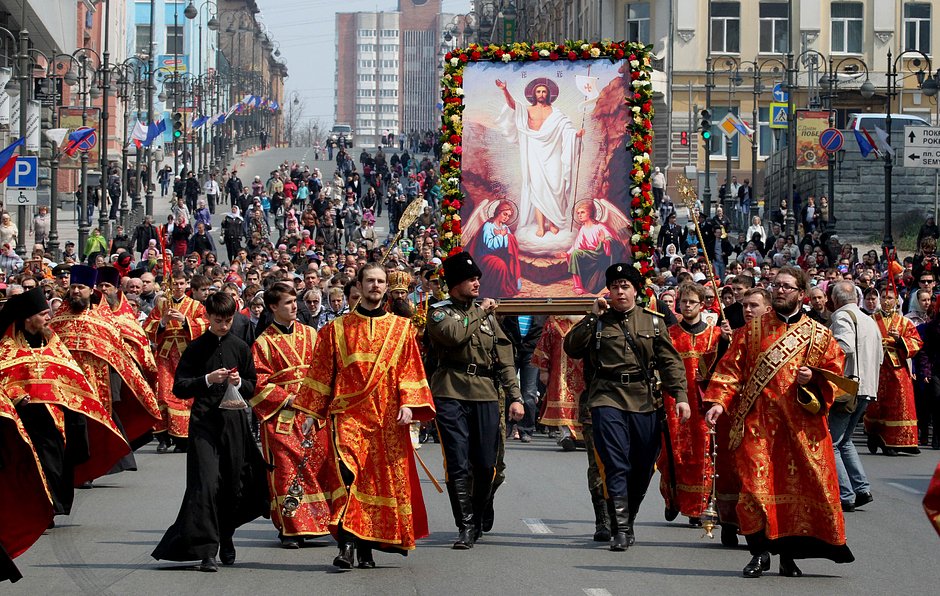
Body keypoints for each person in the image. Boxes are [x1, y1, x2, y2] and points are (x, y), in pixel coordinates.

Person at [704, 266, 853, 578]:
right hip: (758, 423)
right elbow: (729, 370)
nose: (780, 290)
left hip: (802, 427)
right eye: (776, 286)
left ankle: (789, 555)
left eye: (787, 286)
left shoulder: (820, 334)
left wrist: (813, 378)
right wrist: (719, 401)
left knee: (800, 489)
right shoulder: (751, 332)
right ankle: (759, 553)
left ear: (800, 292)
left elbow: (836, 376)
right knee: (754, 488)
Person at [293, 263, 436, 569]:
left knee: (374, 483)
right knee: (348, 477)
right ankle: (346, 547)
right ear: (358, 285)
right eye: (369, 280)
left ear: (386, 287)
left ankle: (366, 549)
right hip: (347, 416)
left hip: (386, 420)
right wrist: (309, 413)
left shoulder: (401, 329)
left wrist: (409, 404)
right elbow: (321, 372)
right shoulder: (336, 329)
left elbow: (410, 370)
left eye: (380, 281)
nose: (375, 285)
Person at [564, 263, 689, 551]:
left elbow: (670, 362)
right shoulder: (597, 320)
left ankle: (628, 519)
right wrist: (589, 318)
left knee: (643, 466)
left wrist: (680, 396)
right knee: (616, 463)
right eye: (615, 286)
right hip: (606, 397)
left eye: (625, 286)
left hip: (644, 399)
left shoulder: (653, 322)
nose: (620, 292)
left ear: (635, 291)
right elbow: (571, 347)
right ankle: (619, 528)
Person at [152, 292, 269, 572]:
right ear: (208, 317)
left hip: (234, 424)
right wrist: (207, 379)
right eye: (219, 321)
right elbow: (180, 386)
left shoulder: (241, 347)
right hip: (204, 423)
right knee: (205, 485)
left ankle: (226, 536)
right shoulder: (195, 348)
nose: (224, 326)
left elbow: (254, 385)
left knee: (232, 484)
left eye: (228, 321)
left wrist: (240, 382)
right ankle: (207, 551)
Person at [0, 287, 129, 520]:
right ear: (28, 318)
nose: (49, 317)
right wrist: (16, 396)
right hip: (22, 418)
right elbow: (4, 379)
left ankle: (53, 505)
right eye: (43, 314)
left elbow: (71, 373)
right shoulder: (7, 347)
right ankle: (41, 509)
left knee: (56, 463)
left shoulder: (52, 341)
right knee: (30, 465)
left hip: (55, 415)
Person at [426, 252, 524, 549]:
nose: (477, 283)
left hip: (485, 392)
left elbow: (505, 357)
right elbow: (454, 336)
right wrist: (482, 311)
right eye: (471, 279)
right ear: (455, 283)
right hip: (451, 391)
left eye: (478, 278)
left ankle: (479, 509)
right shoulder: (440, 312)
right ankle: (465, 525)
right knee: (458, 463)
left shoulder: (487, 317)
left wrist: (515, 397)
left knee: (485, 464)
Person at [49, 265, 158, 475]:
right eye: (73, 287)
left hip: (98, 383)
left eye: (80, 287)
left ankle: (92, 468)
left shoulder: (104, 319)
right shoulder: (58, 320)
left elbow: (118, 353)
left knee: (94, 427)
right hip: (67, 385)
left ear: (91, 290)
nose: (75, 292)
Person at [250, 282, 329, 549]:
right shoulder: (263, 342)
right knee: (285, 470)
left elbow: (323, 371)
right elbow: (257, 383)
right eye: (287, 302)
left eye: (295, 301)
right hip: (280, 417)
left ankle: (318, 523)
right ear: (273, 307)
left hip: (311, 415)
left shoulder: (310, 334)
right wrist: (287, 398)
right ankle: (290, 528)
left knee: (315, 467)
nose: (294, 306)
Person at [659, 282, 730, 527]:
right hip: (675, 401)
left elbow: (726, 366)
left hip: (702, 402)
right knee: (673, 454)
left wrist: (728, 341)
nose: (687, 306)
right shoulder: (669, 333)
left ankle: (698, 506)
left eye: (692, 302)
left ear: (702, 305)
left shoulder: (716, 334)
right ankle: (674, 498)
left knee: (703, 453)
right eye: (684, 302)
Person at [495, 77, 584, 237]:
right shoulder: (528, 110)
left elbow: (567, 129)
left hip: (553, 153)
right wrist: (504, 90)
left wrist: (576, 134)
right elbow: (512, 105)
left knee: (557, 188)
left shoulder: (556, 113)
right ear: (533, 94)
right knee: (538, 190)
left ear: (549, 94)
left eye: (544, 91)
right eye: (538, 91)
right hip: (535, 153)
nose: (541, 94)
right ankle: (542, 226)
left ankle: (553, 223)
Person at [828, 281, 881, 512]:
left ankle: (846, 494)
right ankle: (861, 488)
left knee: (832, 442)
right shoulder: (869, 319)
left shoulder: (842, 317)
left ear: (836, 300)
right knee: (845, 440)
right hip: (867, 387)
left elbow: (844, 346)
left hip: (848, 388)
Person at [143, 271, 209, 453]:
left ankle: (182, 439)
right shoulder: (162, 304)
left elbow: (206, 325)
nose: (178, 287)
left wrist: (186, 321)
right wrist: (163, 322)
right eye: (175, 284)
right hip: (165, 356)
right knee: (163, 395)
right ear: (170, 285)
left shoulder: (195, 305)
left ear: (187, 284)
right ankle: (163, 437)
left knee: (185, 398)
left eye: (182, 283)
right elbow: (147, 327)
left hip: (187, 356)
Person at [865, 282, 923, 455]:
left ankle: (897, 439)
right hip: (878, 367)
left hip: (898, 369)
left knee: (900, 402)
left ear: (896, 301)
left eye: (890, 297)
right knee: (877, 404)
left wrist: (899, 341)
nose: (886, 301)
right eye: (883, 297)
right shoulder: (871, 320)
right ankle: (876, 435)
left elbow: (917, 342)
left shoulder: (904, 322)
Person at [559, 199, 623, 295]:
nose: (579, 215)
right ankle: (578, 285)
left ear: (590, 213)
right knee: (574, 254)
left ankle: (578, 285)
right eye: (578, 213)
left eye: (582, 212)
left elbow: (613, 241)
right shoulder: (583, 229)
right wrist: (567, 253)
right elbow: (577, 245)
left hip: (600, 255)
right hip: (590, 256)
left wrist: (604, 241)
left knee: (576, 254)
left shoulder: (600, 227)